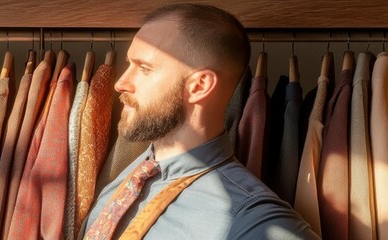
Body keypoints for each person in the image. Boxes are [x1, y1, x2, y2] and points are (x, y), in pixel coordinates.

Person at [80, 3, 319, 240]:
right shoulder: (134, 175)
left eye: (144, 68)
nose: (120, 83)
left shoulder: (252, 219)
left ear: (199, 86)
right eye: (130, 64)